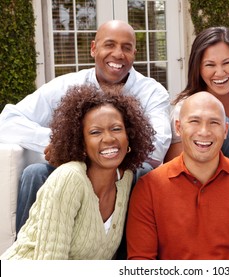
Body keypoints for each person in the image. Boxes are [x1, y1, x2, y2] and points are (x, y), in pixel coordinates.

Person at [0, 20, 171, 233]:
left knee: (144, 171)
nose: (118, 54)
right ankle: (26, 257)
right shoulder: (67, 85)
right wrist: (60, 143)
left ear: (134, 53)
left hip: (121, 169)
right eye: (110, 44)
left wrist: (97, 153)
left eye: (126, 47)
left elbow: (157, 147)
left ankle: (127, 260)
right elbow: (6, 121)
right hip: (72, 167)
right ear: (93, 48)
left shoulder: (152, 92)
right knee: (34, 173)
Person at [0, 84, 155, 259]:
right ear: (80, 142)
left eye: (116, 129)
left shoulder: (125, 178)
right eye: (95, 132)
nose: (109, 138)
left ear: (130, 135)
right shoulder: (69, 178)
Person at [126, 91, 229, 260]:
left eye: (214, 123)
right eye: (194, 121)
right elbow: (140, 264)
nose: (204, 132)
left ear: (225, 130)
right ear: (178, 127)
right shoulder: (149, 187)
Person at [164, 26, 229, 183]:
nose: (220, 73)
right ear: (198, 67)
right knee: (217, 120)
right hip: (206, 182)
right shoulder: (186, 107)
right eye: (210, 65)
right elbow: (174, 166)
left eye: (227, 63)